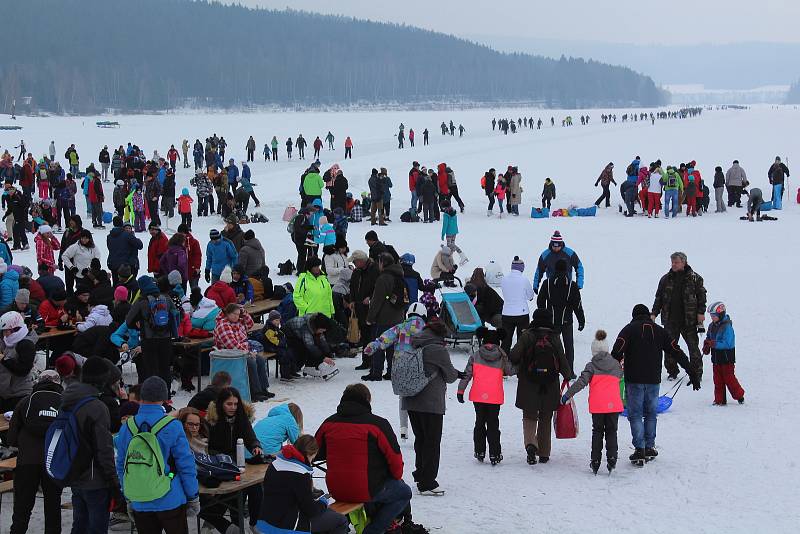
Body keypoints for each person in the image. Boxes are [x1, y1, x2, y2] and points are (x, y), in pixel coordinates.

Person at [315, 384, 412, 534]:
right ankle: (373, 530)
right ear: (367, 400)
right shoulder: (378, 424)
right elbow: (395, 459)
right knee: (404, 492)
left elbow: (314, 452)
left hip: (336, 488)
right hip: (367, 488)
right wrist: (395, 477)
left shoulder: (329, 423)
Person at [612, 304, 701, 465]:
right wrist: (691, 371)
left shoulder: (629, 330)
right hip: (653, 380)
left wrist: (609, 376)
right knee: (651, 414)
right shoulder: (660, 331)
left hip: (634, 380)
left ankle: (639, 449)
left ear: (634, 316)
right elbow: (676, 350)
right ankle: (650, 447)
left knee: (635, 414)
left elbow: (616, 352)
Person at [115, 376, 199, 533]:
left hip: (139, 498)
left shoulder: (127, 427)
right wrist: (192, 495)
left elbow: (121, 465)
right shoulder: (173, 426)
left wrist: (128, 496)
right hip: (170, 497)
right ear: (164, 398)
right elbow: (185, 464)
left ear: (142, 397)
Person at [60, 357, 124, 533]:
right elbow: (104, 449)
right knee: (96, 528)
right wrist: (113, 483)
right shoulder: (96, 406)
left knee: (79, 525)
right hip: (95, 479)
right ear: (102, 379)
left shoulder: (68, 400)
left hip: (75, 472)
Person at [402, 319, 458, 495]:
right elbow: (450, 376)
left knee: (421, 439)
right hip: (431, 403)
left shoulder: (412, 343)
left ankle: (420, 474)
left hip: (411, 400)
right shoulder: (437, 349)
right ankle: (428, 483)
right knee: (432, 442)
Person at [509, 309, 572, 465]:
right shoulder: (555, 337)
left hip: (528, 383)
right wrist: (567, 374)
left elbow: (514, 355)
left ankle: (531, 445)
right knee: (545, 417)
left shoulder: (527, 335)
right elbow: (562, 359)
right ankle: (544, 452)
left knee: (529, 416)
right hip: (549, 384)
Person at [8, 370, 64, 534]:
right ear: (58, 383)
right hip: (53, 462)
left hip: (27, 461)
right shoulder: (65, 403)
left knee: (22, 507)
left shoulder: (26, 402)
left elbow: (11, 438)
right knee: (53, 505)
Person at [258, 435, 349, 534]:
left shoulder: (275, 464)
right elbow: (311, 510)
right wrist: (323, 501)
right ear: (310, 454)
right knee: (341, 520)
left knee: (330, 514)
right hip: (287, 525)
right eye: (313, 458)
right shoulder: (300, 474)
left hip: (266, 520)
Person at [561, 330, 623, 474]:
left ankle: (595, 460)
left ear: (593, 351)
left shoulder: (591, 366)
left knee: (598, 432)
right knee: (612, 432)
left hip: (598, 406)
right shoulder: (615, 365)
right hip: (613, 405)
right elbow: (621, 375)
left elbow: (580, 383)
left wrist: (567, 395)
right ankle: (612, 458)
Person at [204, 387, 264, 533]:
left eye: (236, 404)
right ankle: (229, 523)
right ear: (221, 404)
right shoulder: (211, 421)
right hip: (217, 464)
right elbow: (206, 448)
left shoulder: (241, 419)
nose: (233, 407)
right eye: (229, 404)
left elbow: (251, 438)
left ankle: (254, 522)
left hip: (238, 463)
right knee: (232, 493)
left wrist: (255, 447)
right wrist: (223, 457)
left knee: (255, 487)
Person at [457, 326, 513, 465]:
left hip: (478, 396)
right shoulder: (502, 356)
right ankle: (495, 453)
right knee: (493, 424)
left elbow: (467, 374)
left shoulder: (476, 356)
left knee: (479, 422)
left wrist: (460, 390)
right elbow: (510, 371)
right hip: (494, 396)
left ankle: (479, 451)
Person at [651, 252, 707, 381]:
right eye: (672, 262)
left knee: (693, 348)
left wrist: (701, 313)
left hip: (690, 321)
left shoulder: (695, 278)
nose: (673, 265)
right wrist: (654, 313)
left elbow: (702, 297)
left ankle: (696, 373)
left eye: (676, 262)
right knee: (670, 348)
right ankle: (672, 371)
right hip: (670, 320)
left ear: (684, 262)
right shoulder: (665, 279)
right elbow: (658, 298)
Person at [125, 275, 178, 387]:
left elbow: (128, 321)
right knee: (165, 369)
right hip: (166, 339)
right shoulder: (166, 298)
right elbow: (176, 314)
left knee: (151, 370)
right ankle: (166, 396)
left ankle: (154, 396)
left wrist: (138, 326)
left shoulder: (141, 301)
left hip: (149, 340)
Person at [213, 303, 273, 401]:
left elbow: (250, 324)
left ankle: (263, 389)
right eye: (234, 314)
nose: (237, 316)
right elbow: (232, 345)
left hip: (242, 352)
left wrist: (243, 312)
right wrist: (248, 353)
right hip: (229, 354)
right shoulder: (223, 325)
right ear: (227, 313)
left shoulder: (239, 322)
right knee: (251, 362)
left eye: (238, 314)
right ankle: (255, 393)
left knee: (260, 360)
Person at [536, 259, 585, 375]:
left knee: (551, 346)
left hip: (551, 322)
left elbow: (540, 301)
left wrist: (543, 317)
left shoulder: (547, 283)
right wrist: (581, 320)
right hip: (567, 321)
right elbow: (577, 305)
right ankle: (569, 371)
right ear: (567, 270)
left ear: (554, 269)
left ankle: (551, 369)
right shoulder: (572, 285)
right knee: (568, 347)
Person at [363, 253, 406, 380]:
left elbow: (377, 300)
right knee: (393, 347)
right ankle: (391, 372)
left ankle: (376, 372)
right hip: (398, 318)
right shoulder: (400, 275)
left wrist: (370, 317)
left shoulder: (384, 278)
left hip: (384, 318)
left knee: (379, 344)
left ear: (383, 263)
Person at [704, 301, 745, 405]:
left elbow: (727, 343)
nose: (712, 318)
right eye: (711, 316)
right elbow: (709, 337)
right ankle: (719, 400)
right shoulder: (711, 326)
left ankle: (739, 395)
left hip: (727, 359)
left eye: (714, 316)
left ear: (720, 314)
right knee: (717, 380)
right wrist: (706, 344)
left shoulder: (727, 327)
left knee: (729, 379)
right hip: (716, 359)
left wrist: (714, 344)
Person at [0, 311, 38, 411]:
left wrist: (4, 360)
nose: (4, 334)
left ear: (15, 329)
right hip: (4, 392)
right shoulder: (6, 341)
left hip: (19, 394)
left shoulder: (26, 344)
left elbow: (23, 370)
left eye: (6, 331)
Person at [284, 313, 339, 378]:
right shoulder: (305, 327)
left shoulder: (315, 326)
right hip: (289, 333)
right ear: (317, 327)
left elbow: (322, 341)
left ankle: (310, 366)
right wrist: (323, 358)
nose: (322, 332)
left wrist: (328, 353)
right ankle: (294, 369)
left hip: (299, 334)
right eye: (321, 330)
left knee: (316, 344)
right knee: (303, 349)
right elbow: (310, 346)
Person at [500, 256, 534, 355]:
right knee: (522, 340)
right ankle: (520, 362)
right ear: (521, 268)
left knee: (506, 340)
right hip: (522, 314)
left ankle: (504, 361)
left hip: (507, 313)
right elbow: (530, 295)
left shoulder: (504, 279)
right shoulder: (524, 280)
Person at [107, 217, 143, 284]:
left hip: (113, 264)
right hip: (125, 266)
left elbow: (110, 248)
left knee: (116, 284)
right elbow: (140, 245)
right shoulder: (127, 235)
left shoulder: (109, 236)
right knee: (127, 286)